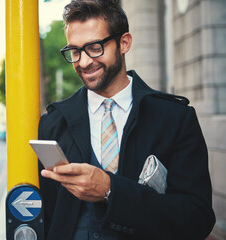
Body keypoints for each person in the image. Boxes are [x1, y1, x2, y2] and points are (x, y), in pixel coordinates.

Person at [37, 0, 215, 239]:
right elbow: (46, 217)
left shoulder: (175, 118)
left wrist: (111, 189)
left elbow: (197, 219)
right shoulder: (53, 123)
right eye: (75, 51)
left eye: (95, 47)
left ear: (124, 43)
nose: (84, 62)